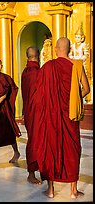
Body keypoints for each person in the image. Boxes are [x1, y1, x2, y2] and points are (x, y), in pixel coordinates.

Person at [30, 37, 90, 198]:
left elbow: (39, 95)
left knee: (51, 148)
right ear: (69, 49)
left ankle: (50, 190)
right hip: (70, 115)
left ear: (56, 49)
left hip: (51, 116)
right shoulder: (77, 65)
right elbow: (86, 89)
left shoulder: (48, 66)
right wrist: (74, 100)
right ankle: (73, 191)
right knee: (73, 149)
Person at [21, 46, 41, 184]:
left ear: (27, 57)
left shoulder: (25, 72)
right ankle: (32, 172)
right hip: (38, 112)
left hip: (28, 111)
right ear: (38, 56)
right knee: (36, 141)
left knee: (33, 139)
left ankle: (35, 170)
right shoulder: (38, 73)